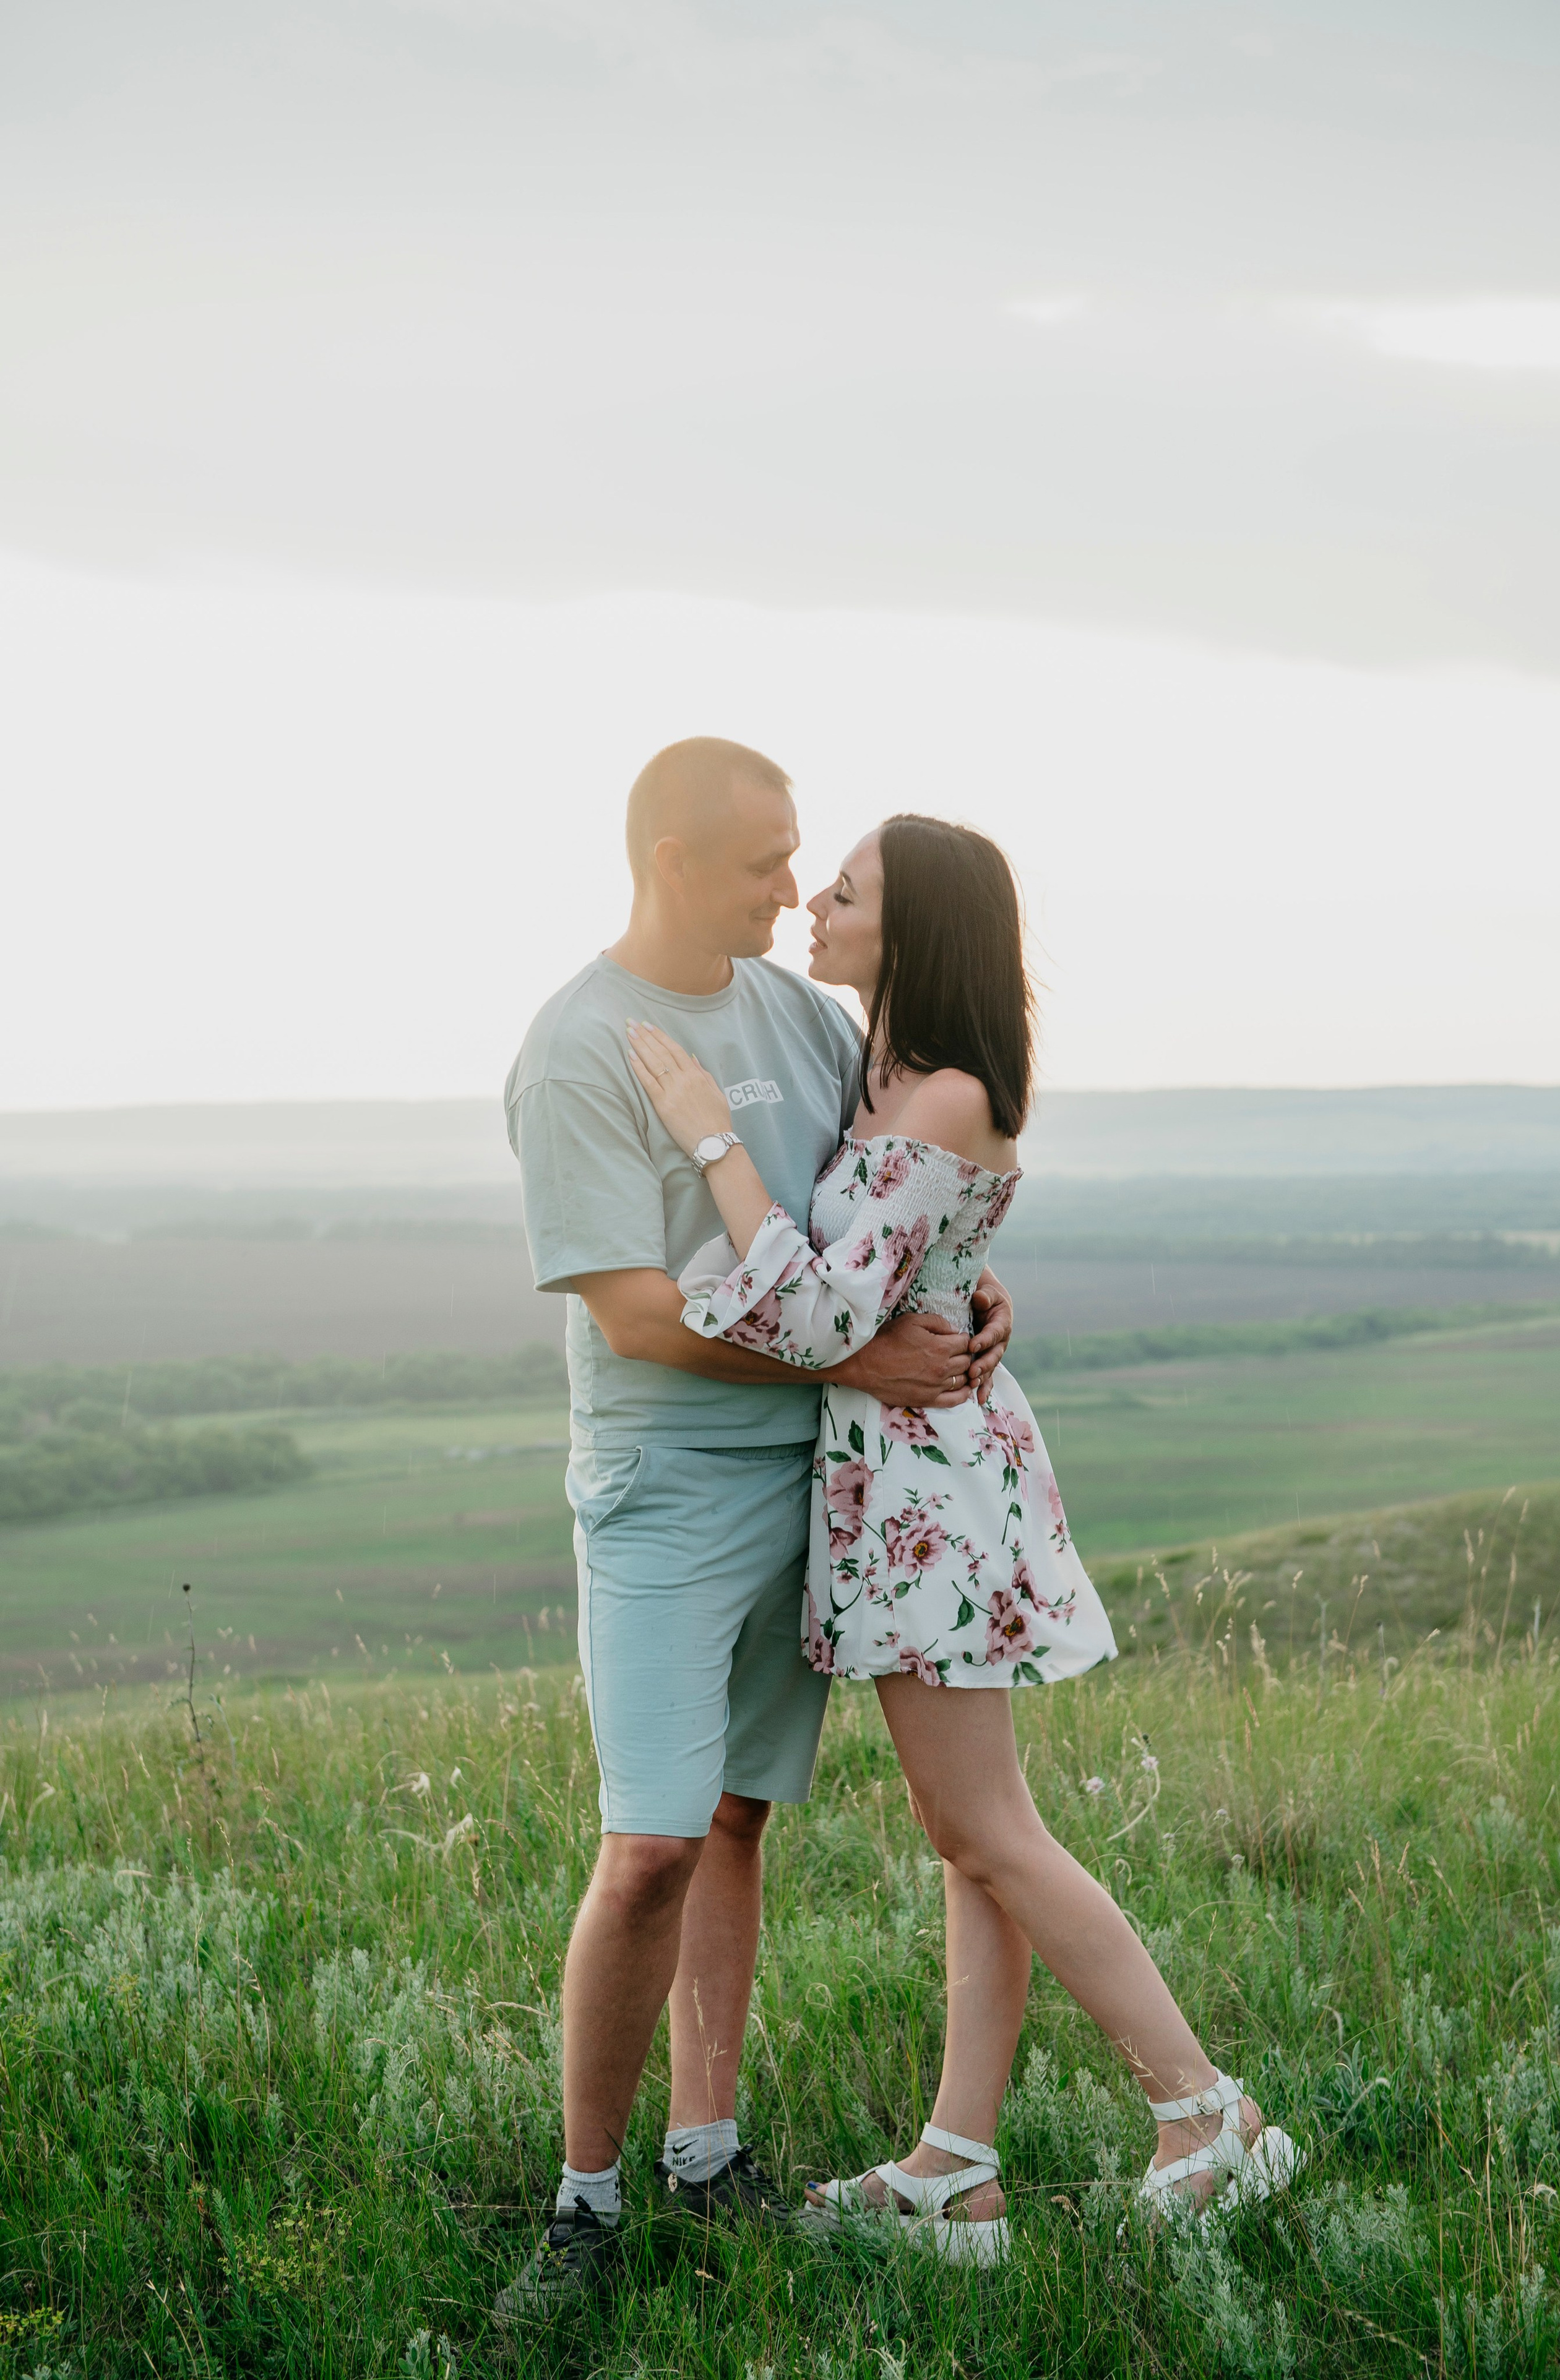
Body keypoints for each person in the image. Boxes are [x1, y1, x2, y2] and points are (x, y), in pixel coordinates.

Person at [627, 811, 1304, 2255]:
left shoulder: (936, 1093)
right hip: (920, 1472)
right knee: (965, 1837)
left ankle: (1200, 2106)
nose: (814, 899)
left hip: (925, 1486)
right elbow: (920, 1265)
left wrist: (705, 1137)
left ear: (912, 921)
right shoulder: (879, 1063)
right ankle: (953, 2162)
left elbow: (816, 1313)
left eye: (847, 886)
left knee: (984, 1826)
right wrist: (971, 1286)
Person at [493, 743, 1015, 2314]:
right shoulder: (581, 1046)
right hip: (662, 1493)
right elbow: (641, 1317)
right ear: (665, 858)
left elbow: (883, 1205)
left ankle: (703, 2157)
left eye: (800, 859)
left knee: (735, 1822)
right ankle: (585, 2206)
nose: (791, 892)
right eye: (758, 865)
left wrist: (966, 1291)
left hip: (813, 1481)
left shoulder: (793, 1013)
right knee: (647, 1843)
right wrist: (858, 1349)